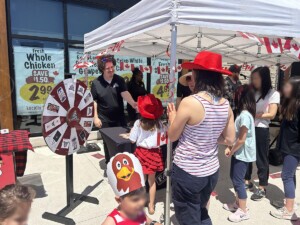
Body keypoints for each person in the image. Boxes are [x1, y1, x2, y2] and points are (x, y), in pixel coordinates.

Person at [167, 51, 235, 225]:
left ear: (198, 75)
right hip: (211, 171)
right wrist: (209, 136)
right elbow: (229, 140)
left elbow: (172, 135)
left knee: (188, 216)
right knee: (201, 211)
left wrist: (172, 118)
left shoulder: (190, 102)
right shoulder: (225, 104)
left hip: (188, 171)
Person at [91, 54, 137, 163]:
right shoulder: (96, 83)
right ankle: (110, 165)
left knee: (122, 141)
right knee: (108, 144)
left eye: (112, 67)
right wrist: (95, 118)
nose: (111, 70)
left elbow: (124, 93)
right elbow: (94, 101)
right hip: (105, 120)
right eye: (108, 68)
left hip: (119, 119)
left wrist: (132, 103)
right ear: (102, 69)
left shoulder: (119, 80)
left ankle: (122, 164)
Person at [245, 66, 280, 200]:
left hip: (261, 129)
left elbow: (272, 114)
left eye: (256, 78)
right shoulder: (252, 92)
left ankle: (262, 187)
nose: (253, 80)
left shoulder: (273, 93)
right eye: (252, 78)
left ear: (264, 79)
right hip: (248, 127)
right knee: (247, 155)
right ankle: (247, 181)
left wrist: (258, 115)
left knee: (261, 158)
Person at [223, 85, 256, 222]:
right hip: (240, 152)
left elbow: (241, 139)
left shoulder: (245, 115)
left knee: (238, 180)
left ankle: (243, 210)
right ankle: (237, 203)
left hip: (242, 153)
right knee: (235, 176)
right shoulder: (244, 114)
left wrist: (231, 150)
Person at [129, 94, 166, 215]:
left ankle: (140, 203)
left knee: (141, 181)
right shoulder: (160, 124)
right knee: (152, 181)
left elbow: (132, 140)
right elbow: (164, 139)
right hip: (154, 154)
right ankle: (151, 205)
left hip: (141, 153)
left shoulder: (138, 123)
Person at [270, 77, 300, 221]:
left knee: (286, 175)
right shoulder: (291, 104)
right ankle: (290, 203)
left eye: (288, 87)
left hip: (294, 148)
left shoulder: (298, 106)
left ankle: (289, 210)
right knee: (291, 174)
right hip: (287, 146)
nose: (284, 89)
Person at [102, 152, 161, 225]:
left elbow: (145, 219)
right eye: (135, 200)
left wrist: (153, 223)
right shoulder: (111, 222)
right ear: (119, 200)